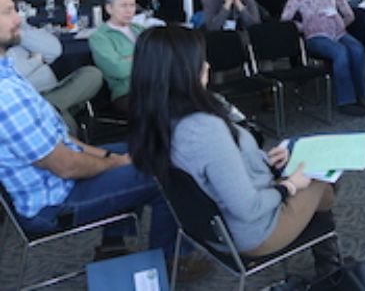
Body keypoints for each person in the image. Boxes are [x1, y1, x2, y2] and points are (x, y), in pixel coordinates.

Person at [127, 25, 341, 276]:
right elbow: (247, 207)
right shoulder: (203, 128)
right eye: (199, 60)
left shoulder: (158, 115)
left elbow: (214, 166)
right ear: (182, 70)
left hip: (210, 228)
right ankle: (330, 266)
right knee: (326, 178)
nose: (206, 65)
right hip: (252, 232)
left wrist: (266, 161)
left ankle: (326, 257)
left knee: (317, 181)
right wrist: (289, 186)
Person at [0, 0, 183, 267]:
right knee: (167, 172)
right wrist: (117, 163)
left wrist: (109, 158)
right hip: (53, 202)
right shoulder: (5, 92)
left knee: (147, 149)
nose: (19, 18)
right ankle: (173, 263)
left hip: (58, 178)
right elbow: (65, 166)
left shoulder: (7, 71)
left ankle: (112, 248)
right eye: (7, 12)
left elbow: (61, 140)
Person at [281, 0, 365, 117]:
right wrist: (304, 27)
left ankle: (359, 95)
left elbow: (349, 14)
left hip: (338, 33)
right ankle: (346, 100)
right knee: (340, 53)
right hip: (316, 36)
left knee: (357, 49)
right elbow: (285, 20)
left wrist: (339, 22)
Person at [7, 13, 102, 134]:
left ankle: (49, 108)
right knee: (64, 123)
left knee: (92, 74)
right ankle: (52, 109)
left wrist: (17, 32)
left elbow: (55, 50)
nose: (17, 17)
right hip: (27, 101)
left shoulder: (19, 28)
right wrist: (35, 61)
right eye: (7, 11)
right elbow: (8, 74)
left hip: (56, 90)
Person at [89, 0, 144, 115]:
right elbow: (118, 69)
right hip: (127, 93)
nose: (129, 10)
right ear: (109, 8)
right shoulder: (99, 37)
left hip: (157, 86)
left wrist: (129, 58)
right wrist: (146, 56)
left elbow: (163, 56)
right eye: (123, 5)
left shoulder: (141, 30)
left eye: (132, 5)